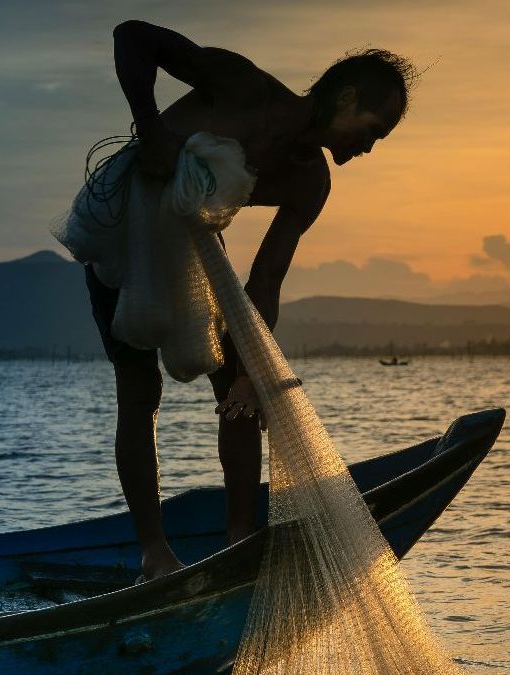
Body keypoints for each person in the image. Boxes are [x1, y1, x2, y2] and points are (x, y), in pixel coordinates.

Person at [92, 20, 413, 580]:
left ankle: (239, 538)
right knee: (140, 390)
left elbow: (265, 281)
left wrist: (253, 374)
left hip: (193, 251)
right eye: (372, 128)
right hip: (127, 234)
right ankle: (154, 553)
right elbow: (131, 36)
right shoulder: (242, 88)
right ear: (345, 97)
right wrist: (151, 130)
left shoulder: (308, 182)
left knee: (244, 383)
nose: (368, 146)